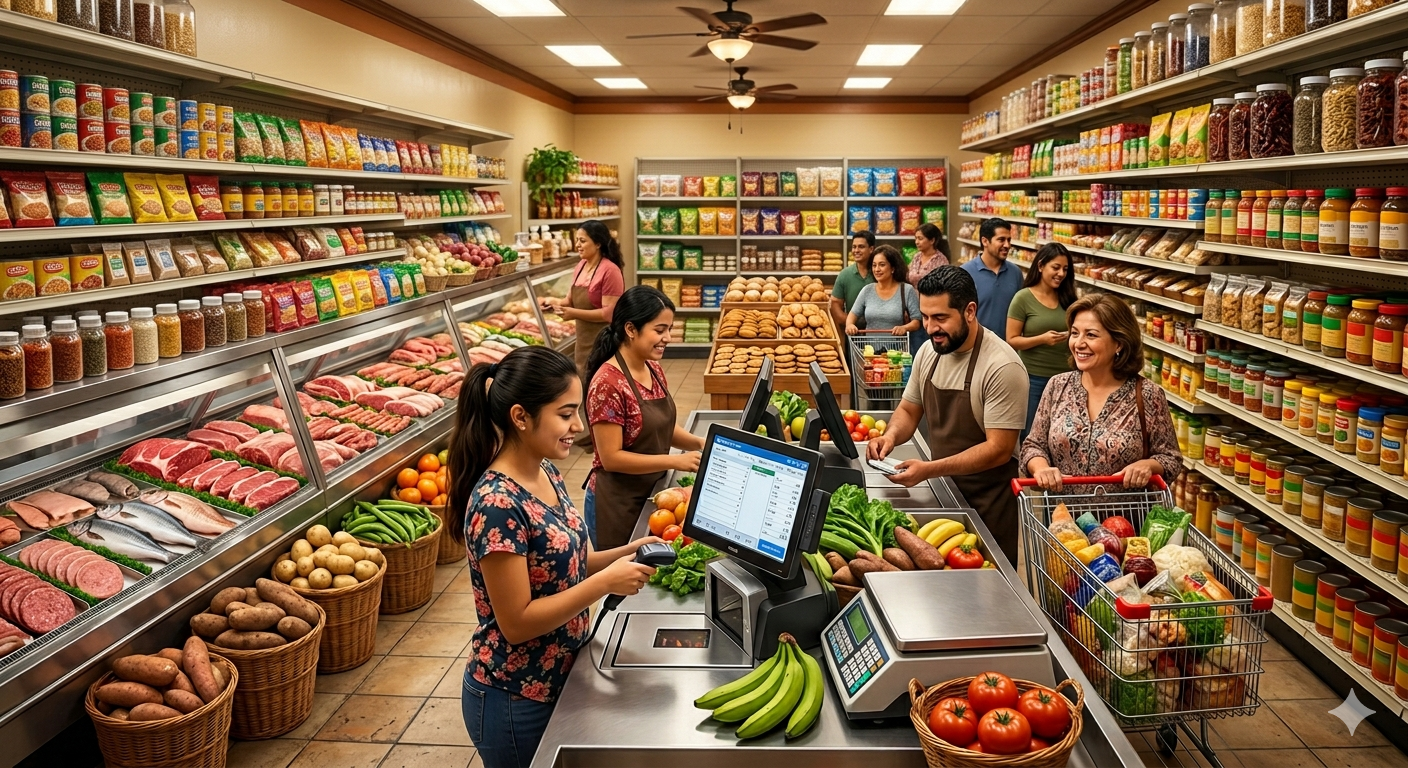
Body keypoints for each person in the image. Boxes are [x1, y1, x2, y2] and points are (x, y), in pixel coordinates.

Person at [449, 346, 661, 768]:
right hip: (514, 697)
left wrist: (633, 551)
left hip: (559, 678)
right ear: (521, 417)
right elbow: (516, 623)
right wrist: (603, 585)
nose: (577, 426)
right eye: (565, 415)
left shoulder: (545, 471)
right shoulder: (497, 503)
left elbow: (573, 560)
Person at [867, 266, 1029, 563]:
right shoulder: (930, 352)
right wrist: (888, 436)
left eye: (941, 318)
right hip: (945, 492)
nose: (930, 328)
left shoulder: (1002, 366)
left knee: (988, 592)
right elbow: (909, 408)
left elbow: (999, 450)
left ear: (969, 311)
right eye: (926, 317)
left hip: (988, 503)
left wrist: (929, 469)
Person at [1021, 293, 1183, 493]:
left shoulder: (1148, 394)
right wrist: (1042, 468)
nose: (1078, 343)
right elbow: (1033, 446)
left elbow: (1171, 459)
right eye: (1074, 333)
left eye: (1091, 335)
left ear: (1119, 343)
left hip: (1126, 519)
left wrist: (1148, 466)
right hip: (1062, 518)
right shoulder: (1057, 385)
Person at [584, 285, 705, 549]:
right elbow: (611, 458)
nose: (668, 338)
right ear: (630, 329)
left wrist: (699, 443)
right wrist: (676, 461)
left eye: (669, 329)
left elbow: (660, 426)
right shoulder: (608, 384)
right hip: (618, 503)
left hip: (649, 492)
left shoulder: (653, 369)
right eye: (659, 330)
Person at [538, 220, 624, 449]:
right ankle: (593, 432)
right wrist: (554, 303)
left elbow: (608, 314)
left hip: (603, 339)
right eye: (577, 239)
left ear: (597, 243)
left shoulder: (610, 271)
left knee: (601, 388)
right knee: (586, 384)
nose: (577, 244)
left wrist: (571, 313)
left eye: (582, 240)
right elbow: (569, 300)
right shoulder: (580, 267)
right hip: (583, 339)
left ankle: (606, 434)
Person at [1005, 243, 1076, 439]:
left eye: (1065, 269)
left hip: (1067, 378)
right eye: (1056, 267)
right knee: (1032, 434)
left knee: (1063, 434)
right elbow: (1011, 340)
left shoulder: (1068, 299)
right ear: (1041, 266)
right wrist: (1042, 339)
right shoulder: (1023, 298)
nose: (1061, 273)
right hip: (1034, 378)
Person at [844, 245, 922, 352]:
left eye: (882, 265)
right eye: (874, 265)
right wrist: (850, 325)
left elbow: (917, 321)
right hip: (870, 354)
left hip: (897, 353)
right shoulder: (867, 290)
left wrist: (904, 328)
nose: (877, 269)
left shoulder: (907, 290)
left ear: (893, 268)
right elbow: (852, 315)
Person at [960, 217, 1023, 339]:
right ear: (985, 241)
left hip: (1008, 348)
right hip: (976, 346)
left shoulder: (1015, 273)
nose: (1007, 245)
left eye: (1009, 240)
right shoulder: (965, 273)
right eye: (1001, 240)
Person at [830, 230, 877, 332]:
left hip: (879, 331)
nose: (856, 250)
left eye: (861, 247)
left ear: (871, 249)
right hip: (853, 334)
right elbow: (835, 304)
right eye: (854, 247)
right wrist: (850, 322)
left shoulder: (879, 272)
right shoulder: (845, 274)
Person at [908, 222, 950, 287]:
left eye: (920, 239)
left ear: (932, 240)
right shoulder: (917, 257)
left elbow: (943, 286)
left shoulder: (940, 260)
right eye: (916, 238)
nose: (916, 242)